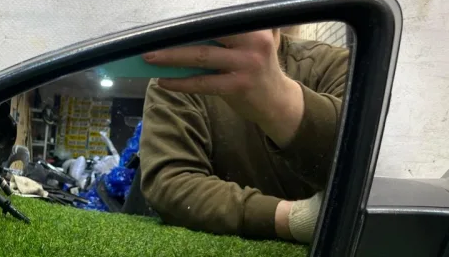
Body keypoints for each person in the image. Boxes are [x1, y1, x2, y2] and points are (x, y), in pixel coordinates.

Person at [139, 28, 348, 244]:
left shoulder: (333, 64)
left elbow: (363, 167)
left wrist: (281, 104)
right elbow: (170, 183)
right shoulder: (173, 81)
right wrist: (296, 218)